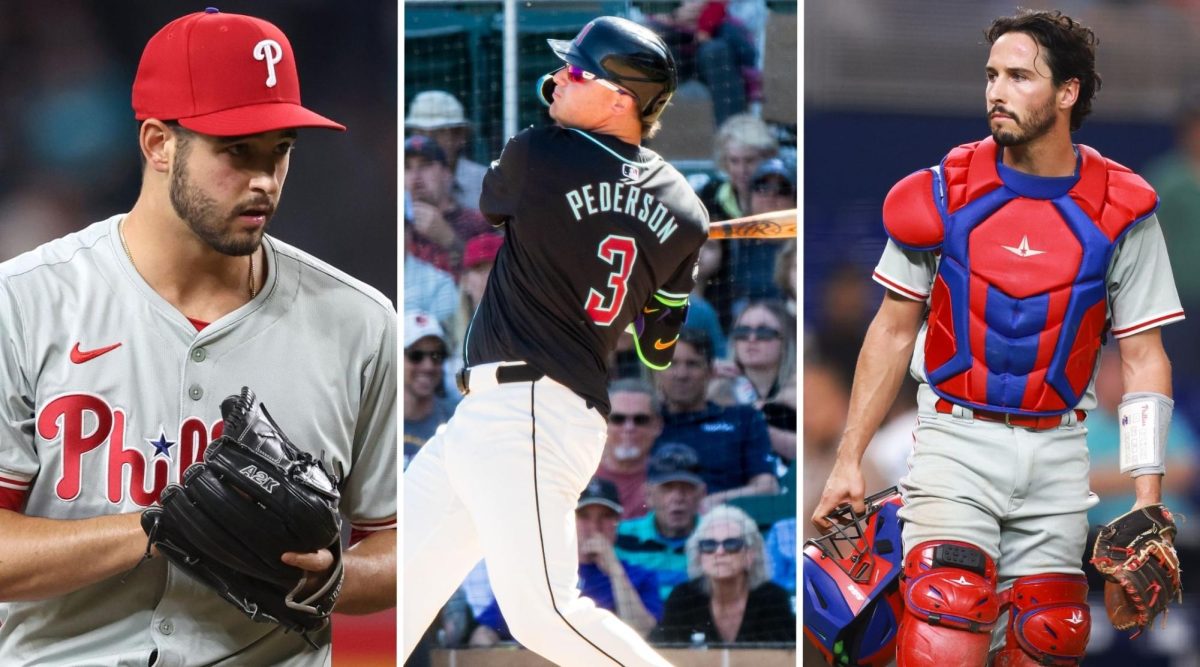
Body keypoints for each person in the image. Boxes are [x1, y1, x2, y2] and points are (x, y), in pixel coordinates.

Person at [0, 9, 396, 665]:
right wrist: (155, 527)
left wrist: (330, 576)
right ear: (158, 143)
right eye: (236, 150)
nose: (264, 179)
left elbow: (395, 542)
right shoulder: (25, 303)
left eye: (281, 149)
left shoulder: (359, 322)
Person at [810, 11, 1185, 666]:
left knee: (1049, 637)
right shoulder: (941, 193)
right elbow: (893, 328)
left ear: (1068, 92)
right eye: (991, 75)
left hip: (1061, 450)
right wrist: (849, 457)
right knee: (942, 629)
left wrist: (1146, 498)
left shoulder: (1123, 208)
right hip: (956, 441)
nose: (996, 92)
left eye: (1019, 76)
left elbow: (1144, 355)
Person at [403, 16, 708, 667]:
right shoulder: (686, 211)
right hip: (498, 417)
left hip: (533, 413)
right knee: (387, 603)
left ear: (620, 97)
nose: (558, 81)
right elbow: (656, 352)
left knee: (543, 611)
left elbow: (492, 205)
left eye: (576, 71)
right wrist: (667, 262)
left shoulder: (539, 151)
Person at [468, 477, 663, 646]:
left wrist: (614, 569)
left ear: (617, 522)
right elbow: (486, 631)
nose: (594, 527)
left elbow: (641, 633)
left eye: (605, 517)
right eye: (584, 516)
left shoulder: (640, 576)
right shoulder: (540, 574)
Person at [657, 328, 778, 509]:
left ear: (711, 371)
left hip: (724, 523)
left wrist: (716, 501)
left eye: (692, 364)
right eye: (672, 363)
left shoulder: (743, 418)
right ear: (657, 370)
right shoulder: (642, 421)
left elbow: (767, 486)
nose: (682, 374)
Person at [650, 504, 795, 644]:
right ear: (699, 556)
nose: (719, 552)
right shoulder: (683, 598)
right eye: (709, 545)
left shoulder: (773, 600)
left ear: (750, 555)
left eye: (731, 544)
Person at [616, 442, 707, 602]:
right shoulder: (621, 537)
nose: (678, 497)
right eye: (667, 488)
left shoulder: (716, 538)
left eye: (687, 487)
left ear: (701, 494)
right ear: (648, 495)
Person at [403, 134, 491, 277]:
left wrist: (448, 239)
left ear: (447, 173)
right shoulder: (395, 225)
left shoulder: (476, 223)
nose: (415, 176)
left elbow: (491, 280)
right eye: (406, 167)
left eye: (425, 165)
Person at [405, 90, 488, 211]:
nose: (427, 142)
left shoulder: (487, 183)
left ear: (460, 137)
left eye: (437, 133)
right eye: (420, 133)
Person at [596, 378, 665, 518]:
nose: (629, 428)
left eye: (640, 420)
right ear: (602, 422)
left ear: (657, 426)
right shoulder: (582, 474)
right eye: (618, 419)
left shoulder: (670, 476)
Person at [403, 311, 459, 469]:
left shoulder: (457, 418)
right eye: (416, 356)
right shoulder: (378, 417)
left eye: (436, 356)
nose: (428, 366)